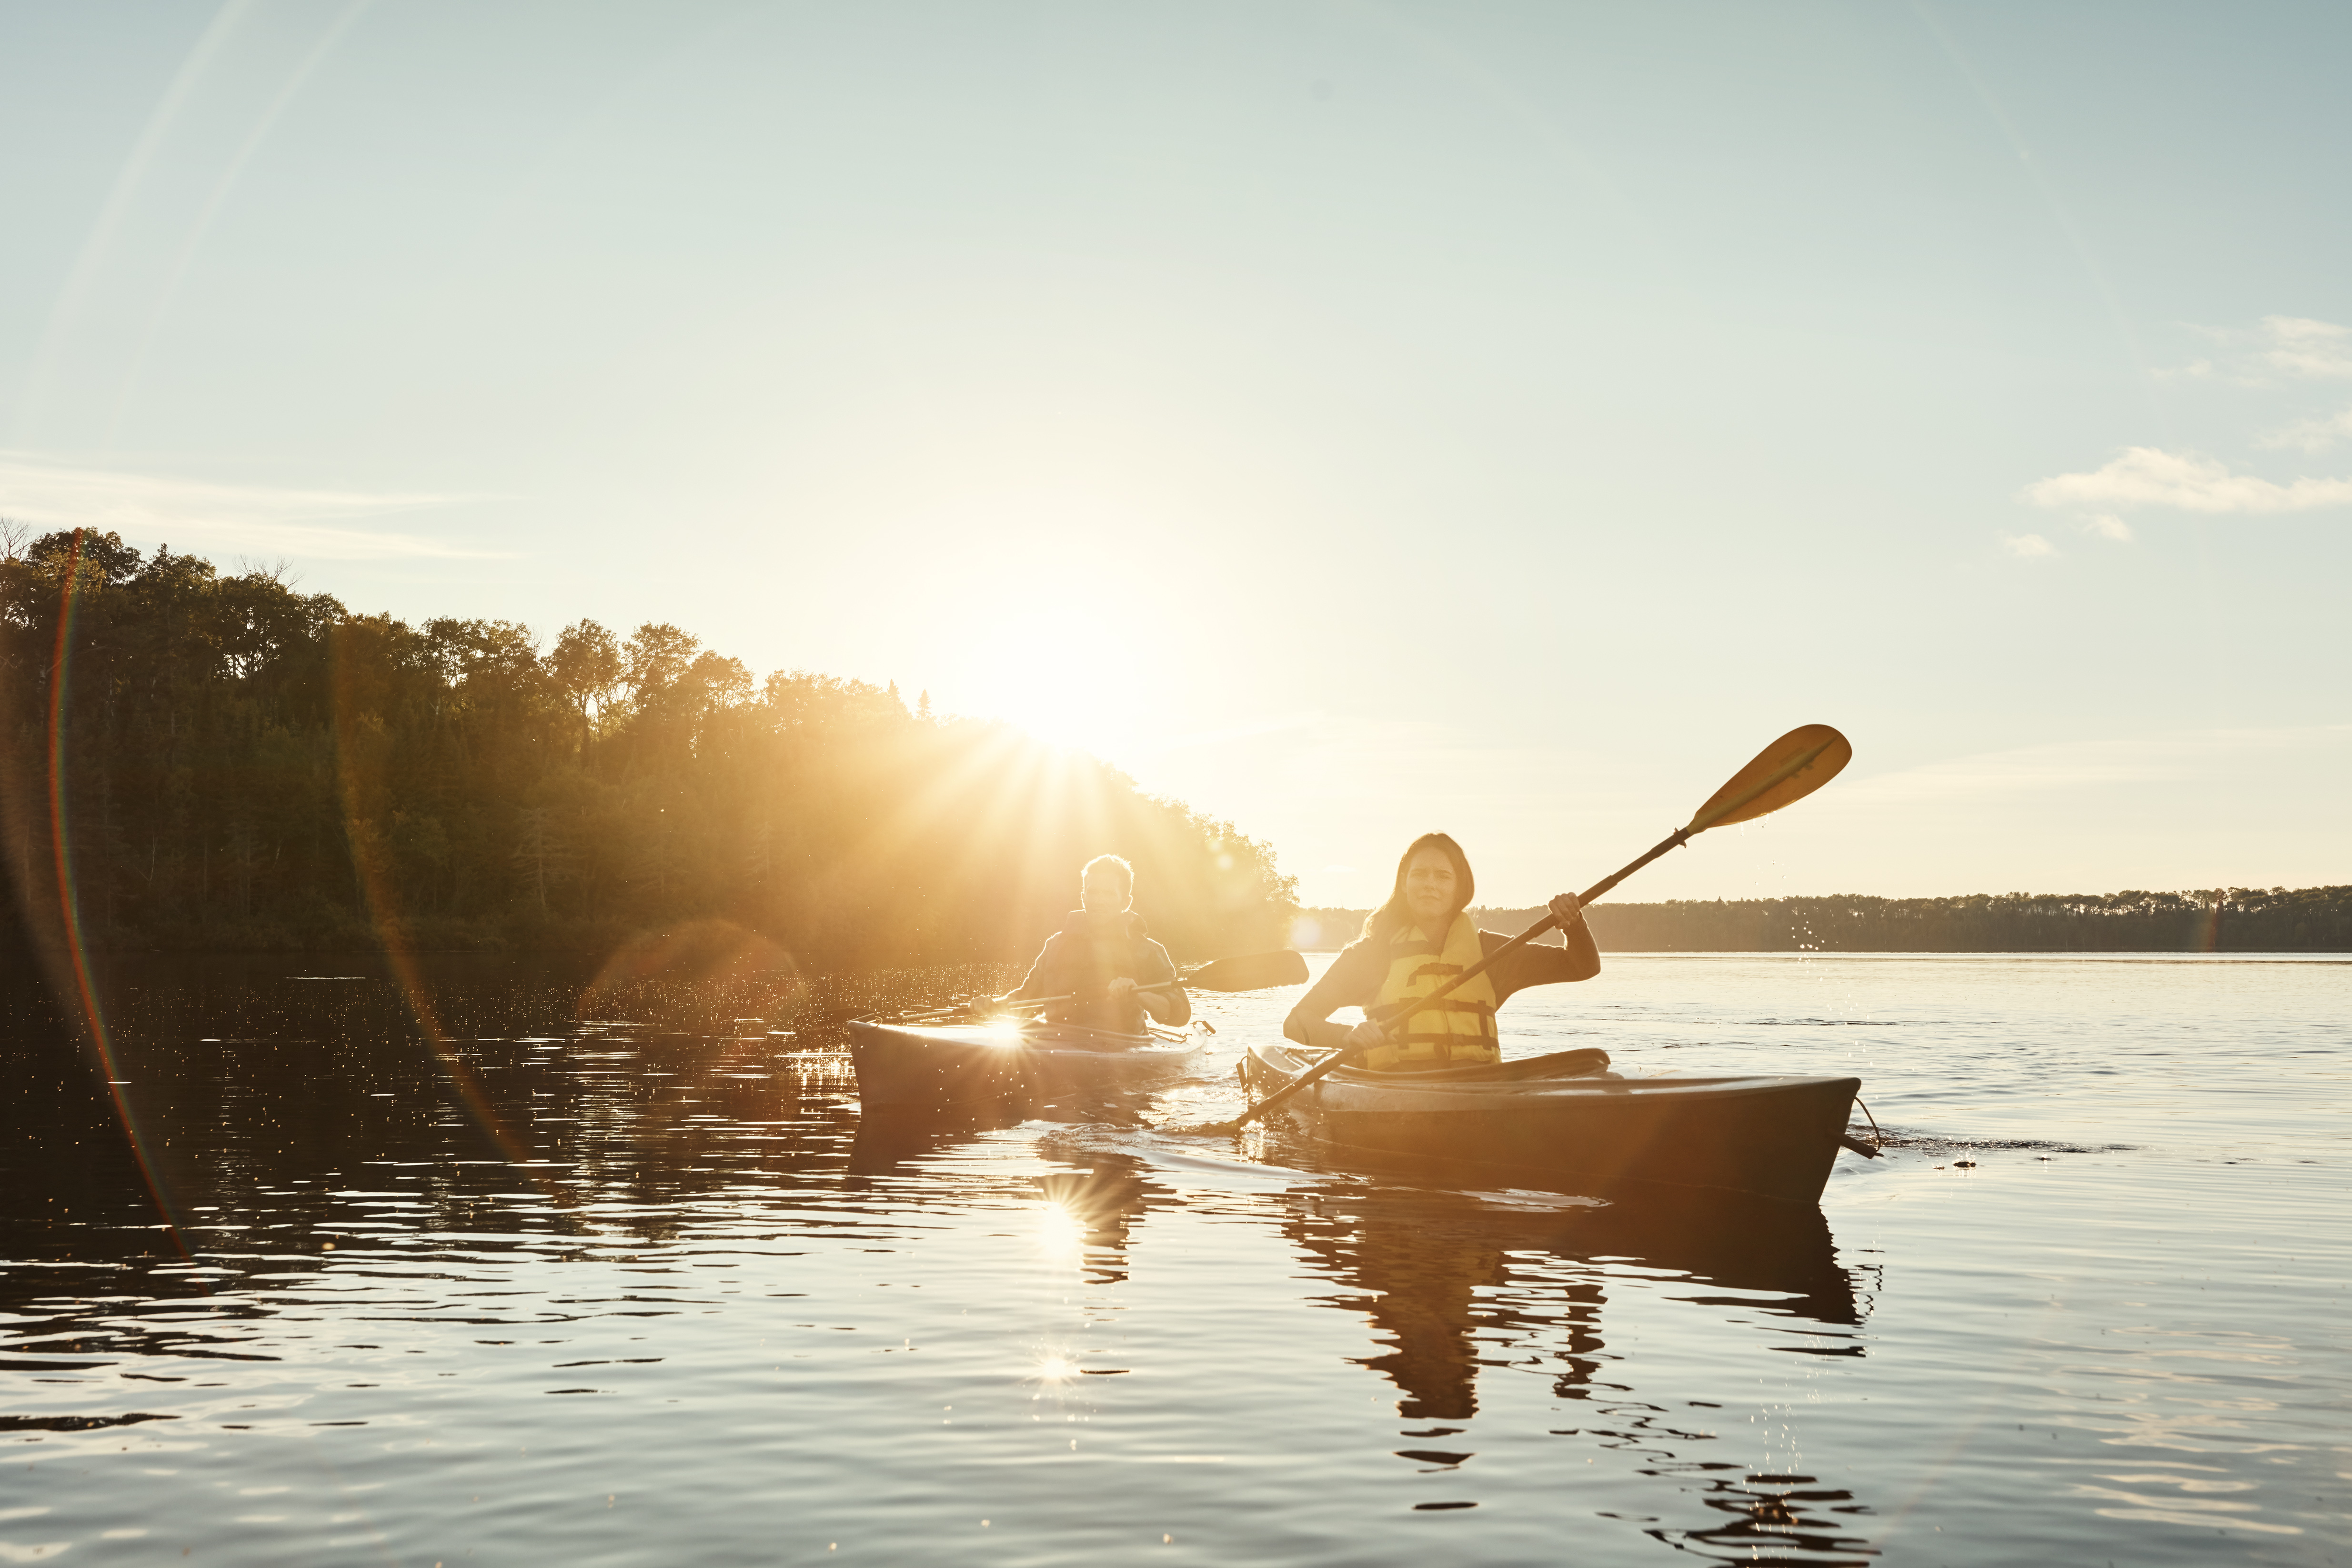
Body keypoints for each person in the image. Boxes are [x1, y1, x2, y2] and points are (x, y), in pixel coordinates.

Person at [1283, 832, 1598, 1070]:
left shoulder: (1492, 952)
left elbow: (1581, 967)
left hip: (1479, 1089)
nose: (1430, 884)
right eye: (1419, 874)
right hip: (1397, 1092)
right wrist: (1347, 1035)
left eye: (1443, 876)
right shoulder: (1371, 955)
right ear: (1404, 883)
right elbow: (1296, 1022)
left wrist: (1574, 925)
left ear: (1459, 888)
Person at [992, 854, 1191, 1034]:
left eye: (1109, 894)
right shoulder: (1055, 945)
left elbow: (1181, 1013)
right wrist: (991, 1006)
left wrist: (1138, 994)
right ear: (1083, 897)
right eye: (1093, 892)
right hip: (1058, 1045)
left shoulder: (1147, 950)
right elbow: (1025, 1001)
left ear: (1126, 902)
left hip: (1121, 1049)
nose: (1099, 901)